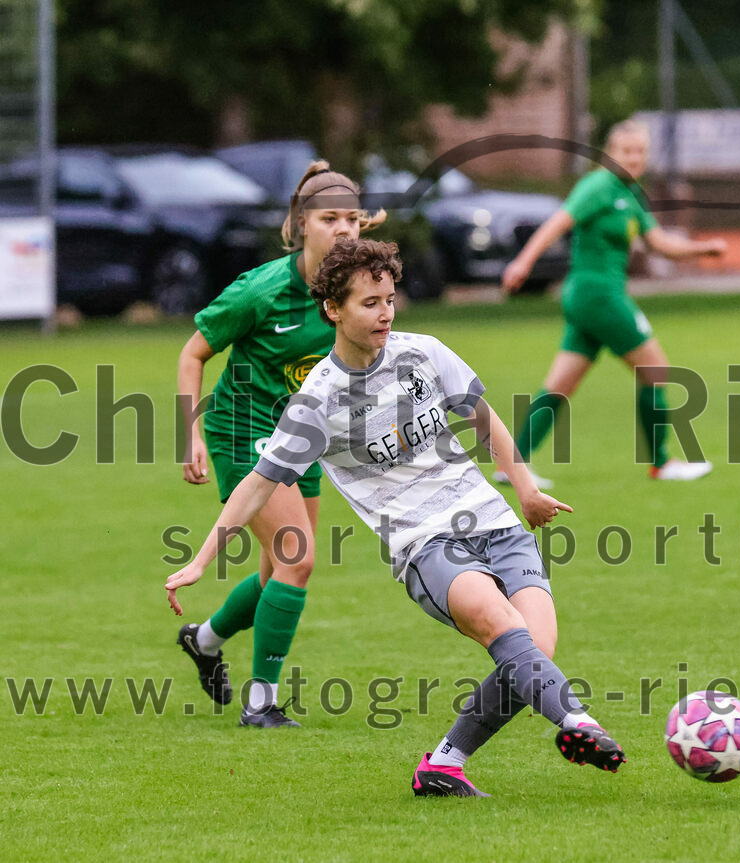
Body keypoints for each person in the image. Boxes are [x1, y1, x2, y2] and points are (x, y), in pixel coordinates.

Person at [165, 237, 625, 796]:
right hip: (426, 546)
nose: (385, 312)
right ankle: (579, 721)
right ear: (333, 310)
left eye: (389, 298)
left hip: (498, 525)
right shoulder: (317, 401)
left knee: (533, 654)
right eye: (369, 302)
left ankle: (444, 764)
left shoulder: (424, 351)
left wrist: (525, 489)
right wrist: (201, 559)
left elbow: (482, 416)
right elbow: (256, 487)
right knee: (504, 630)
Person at [174, 161, 385, 727]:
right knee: (299, 560)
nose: (344, 229)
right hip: (241, 431)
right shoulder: (261, 290)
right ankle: (261, 702)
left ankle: (206, 640)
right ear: (300, 224)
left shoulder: (357, 287)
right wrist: (189, 431)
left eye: (353, 219)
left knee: (275, 574)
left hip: (301, 438)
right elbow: (193, 353)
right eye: (329, 219)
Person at [500, 119, 727, 485]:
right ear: (610, 154)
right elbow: (557, 223)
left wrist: (703, 248)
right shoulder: (598, 186)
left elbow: (660, 243)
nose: (634, 158)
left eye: (640, 151)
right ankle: (662, 462)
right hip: (598, 295)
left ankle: (512, 465)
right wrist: (523, 262)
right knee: (655, 370)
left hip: (587, 299)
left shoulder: (631, 193)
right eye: (627, 151)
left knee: (560, 382)